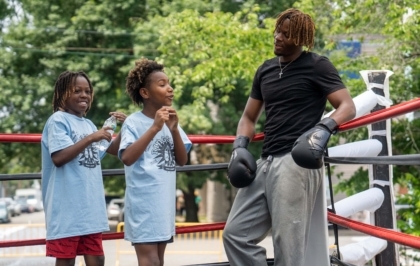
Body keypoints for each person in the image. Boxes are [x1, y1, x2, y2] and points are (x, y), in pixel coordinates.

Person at [223, 8, 356, 266]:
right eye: (277, 31)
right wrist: (239, 146)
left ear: (301, 38)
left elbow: (347, 106)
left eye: (286, 34)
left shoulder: (317, 65)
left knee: (288, 246)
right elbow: (248, 118)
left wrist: (324, 128)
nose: (278, 37)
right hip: (265, 161)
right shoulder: (265, 70)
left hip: (295, 163)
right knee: (235, 234)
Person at [41, 70, 126, 266]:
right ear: (62, 94)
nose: (84, 95)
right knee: (67, 260)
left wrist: (125, 128)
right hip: (66, 210)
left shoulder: (88, 124)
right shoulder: (58, 120)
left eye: (87, 91)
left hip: (90, 209)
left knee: (97, 259)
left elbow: (111, 148)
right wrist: (92, 137)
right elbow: (59, 157)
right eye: (77, 90)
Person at [119, 58, 192, 266]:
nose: (169, 89)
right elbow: (127, 157)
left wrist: (175, 129)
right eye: (162, 85)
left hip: (164, 203)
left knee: (158, 261)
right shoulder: (134, 122)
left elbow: (182, 160)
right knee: (149, 261)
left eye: (169, 84)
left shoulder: (171, 120)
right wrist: (155, 128)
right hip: (144, 203)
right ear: (145, 93)